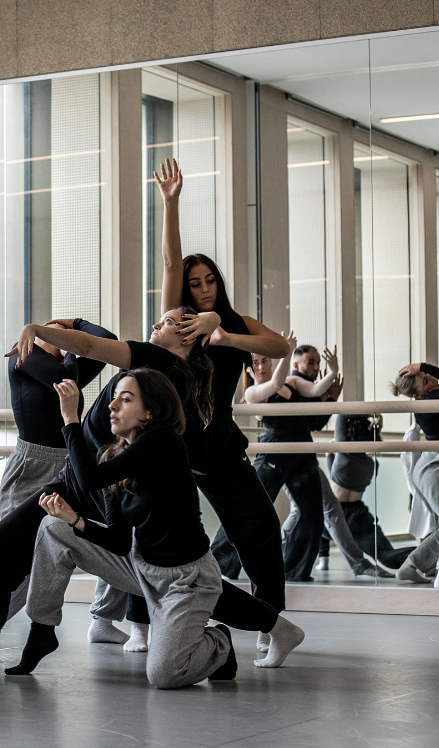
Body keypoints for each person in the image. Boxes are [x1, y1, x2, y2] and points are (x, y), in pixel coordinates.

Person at [0, 329, 304, 670]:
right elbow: (95, 340)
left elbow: (93, 342)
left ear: (188, 338)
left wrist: (47, 342)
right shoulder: (146, 395)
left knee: (173, 597)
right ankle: (6, 635)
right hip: (84, 484)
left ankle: (238, 633)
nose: (156, 324)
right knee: (6, 542)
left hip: (120, 503)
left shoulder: (160, 377)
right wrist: (73, 519)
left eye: (168, 322)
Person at [5, 370, 235, 687]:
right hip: (143, 570)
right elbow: (117, 540)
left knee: (165, 675)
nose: (112, 406)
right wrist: (73, 519)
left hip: (186, 580)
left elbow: (90, 479)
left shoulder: (162, 438)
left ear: (150, 412)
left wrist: (70, 418)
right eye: (113, 397)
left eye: (125, 399)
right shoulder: (113, 456)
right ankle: (41, 631)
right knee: (53, 528)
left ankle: (218, 642)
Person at [154, 158, 292, 618]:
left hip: (219, 450)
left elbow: (276, 343)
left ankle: (271, 619)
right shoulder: (178, 322)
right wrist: (170, 203)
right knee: (151, 531)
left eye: (210, 280)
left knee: (261, 527)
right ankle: (132, 621)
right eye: (195, 284)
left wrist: (228, 337)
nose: (204, 288)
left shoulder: (232, 323)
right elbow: (171, 260)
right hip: (173, 448)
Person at [0, 318, 123, 652]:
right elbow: (65, 377)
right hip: (32, 465)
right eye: (50, 328)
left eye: (63, 331)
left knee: (109, 532)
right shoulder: (25, 357)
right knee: (14, 556)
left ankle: (103, 619)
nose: (58, 333)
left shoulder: (67, 368)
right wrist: (52, 337)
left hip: (73, 462)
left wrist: (75, 324)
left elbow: (108, 341)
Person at [271, 347, 391, 579]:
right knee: (329, 509)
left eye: (318, 363)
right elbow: (315, 418)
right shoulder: (294, 383)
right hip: (289, 457)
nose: (316, 368)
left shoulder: (302, 389)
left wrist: (331, 397)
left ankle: (272, 556)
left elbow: (313, 422)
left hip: (298, 458)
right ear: (296, 365)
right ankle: (359, 565)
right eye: (311, 363)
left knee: (302, 510)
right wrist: (331, 384)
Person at [326, 414, 414, 570]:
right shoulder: (372, 465)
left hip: (334, 510)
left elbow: (341, 414)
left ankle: (322, 562)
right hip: (358, 514)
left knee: (311, 521)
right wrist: (379, 420)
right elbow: (338, 475)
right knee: (386, 555)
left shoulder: (343, 455)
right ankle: (430, 554)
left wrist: (373, 415)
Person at [390, 363, 439, 586]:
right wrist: (422, 365)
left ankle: (410, 566)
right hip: (433, 469)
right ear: (419, 394)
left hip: (431, 468)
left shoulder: (430, 399)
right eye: (424, 379)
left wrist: (423, 369)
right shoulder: (428, 404)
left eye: (427, 375)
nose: (430, 377)